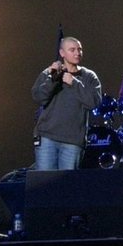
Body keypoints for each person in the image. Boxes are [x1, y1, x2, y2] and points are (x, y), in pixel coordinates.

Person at [31, 36, 102, 170]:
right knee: (44, 186)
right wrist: (52, 79)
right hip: (47, 137)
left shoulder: (89, 76)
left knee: (67, 187)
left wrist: (73, 83)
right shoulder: (49, 73)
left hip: (73, 141)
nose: (77, 53)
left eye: (79, 50)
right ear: (62, 53)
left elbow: (93, 102)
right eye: (72, 50)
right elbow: (38, 97)